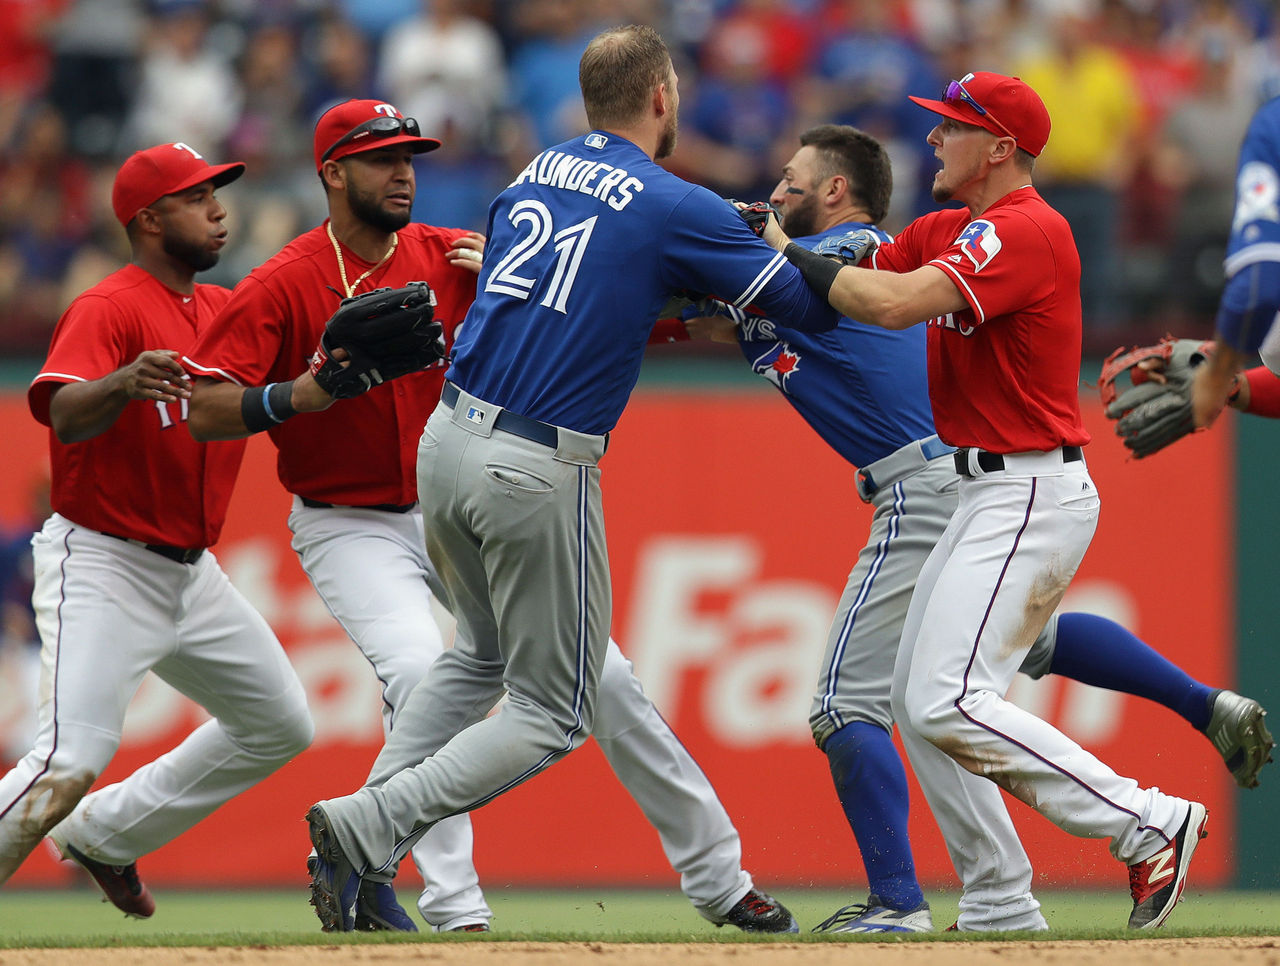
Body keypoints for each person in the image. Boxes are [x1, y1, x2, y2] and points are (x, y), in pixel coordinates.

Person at [184, 96, 803, 933]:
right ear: (331, 171)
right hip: (353, 518)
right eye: (379, 158)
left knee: (606, 682)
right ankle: (447, 904)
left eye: (409, 155)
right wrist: (306, 392)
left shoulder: (457, 255)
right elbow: (206, 408)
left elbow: (595, 306)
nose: (402, 171)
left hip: (451, 495)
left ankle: (720, 880)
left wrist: (684, 292)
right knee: (414, 668)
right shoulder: (285, 278)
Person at [689, 123, 1272, 933]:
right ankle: (1001, 893)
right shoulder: (942, 230)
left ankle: (1142, 821)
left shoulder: (1007, 227)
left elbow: (873, 297)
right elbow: (762, 302)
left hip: (1009, 482)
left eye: (954, 127)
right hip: (975, 483)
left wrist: (751, 241)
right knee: (930, 691)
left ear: (998, 147)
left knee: (896, 697)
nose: (933, 135)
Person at [0, 143, 314, 909]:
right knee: (68, 759)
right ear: (148, 219)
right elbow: (62, 415)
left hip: (191, 573)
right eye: (196, 197)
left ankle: (111, 833)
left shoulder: (223, 310)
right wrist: (118, 381)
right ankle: (89, 821)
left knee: (280, 723)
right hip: (104, 560)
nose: (217, 209)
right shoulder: (109, 305)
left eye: (217, 194)